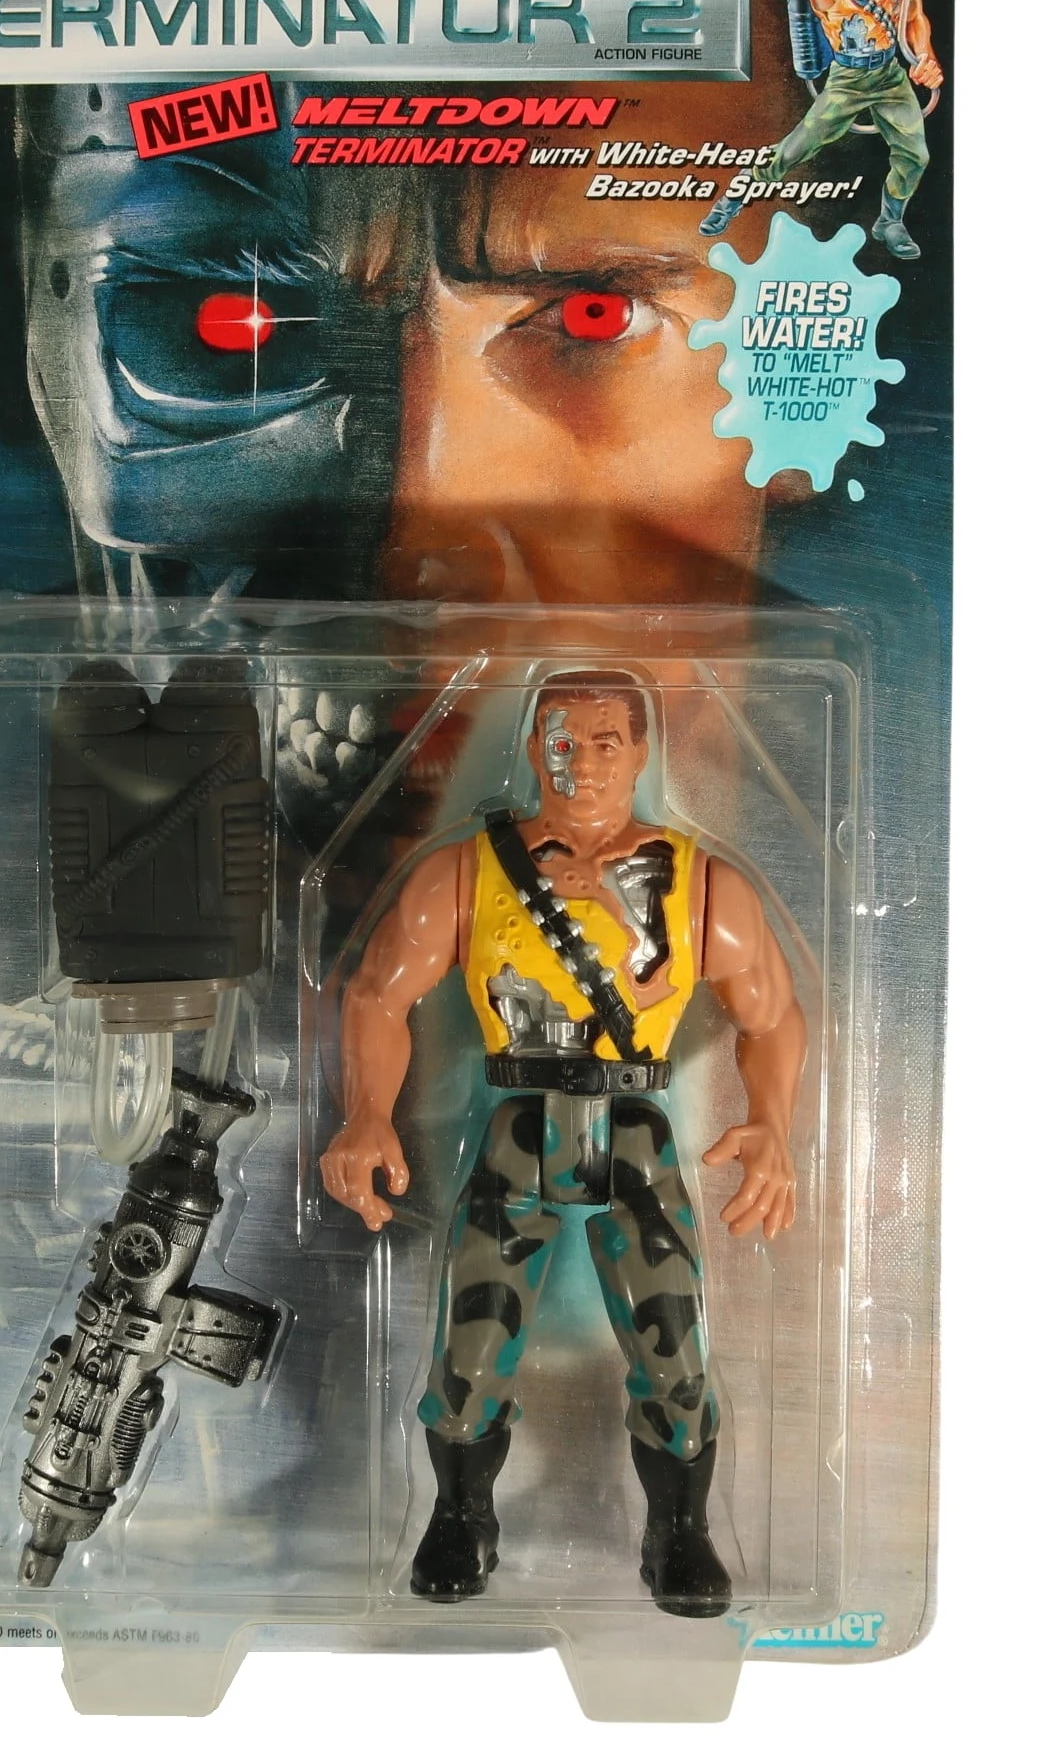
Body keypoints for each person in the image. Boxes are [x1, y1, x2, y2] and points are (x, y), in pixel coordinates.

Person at [319, 673, 805, 1615]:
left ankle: (680, 1528)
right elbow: (377, 993)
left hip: (635, 1129)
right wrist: (367, 1110)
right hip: (520, 1124)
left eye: (605, 741)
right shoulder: (469, 872)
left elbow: (774, 1015)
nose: (581, 760)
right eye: (560, 740)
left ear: (642, 752)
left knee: (675, 1353)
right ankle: (460, 1513)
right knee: (471, 1346)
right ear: (533, 747)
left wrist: (774, 1123)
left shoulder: (699, 883)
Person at [698, 0, 942, 259]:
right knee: (792, 150)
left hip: (890, 77)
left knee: (915, 155)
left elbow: (914, 17)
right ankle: (733, 198)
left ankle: (890, 221)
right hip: (848, 82)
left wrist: (925, 57)